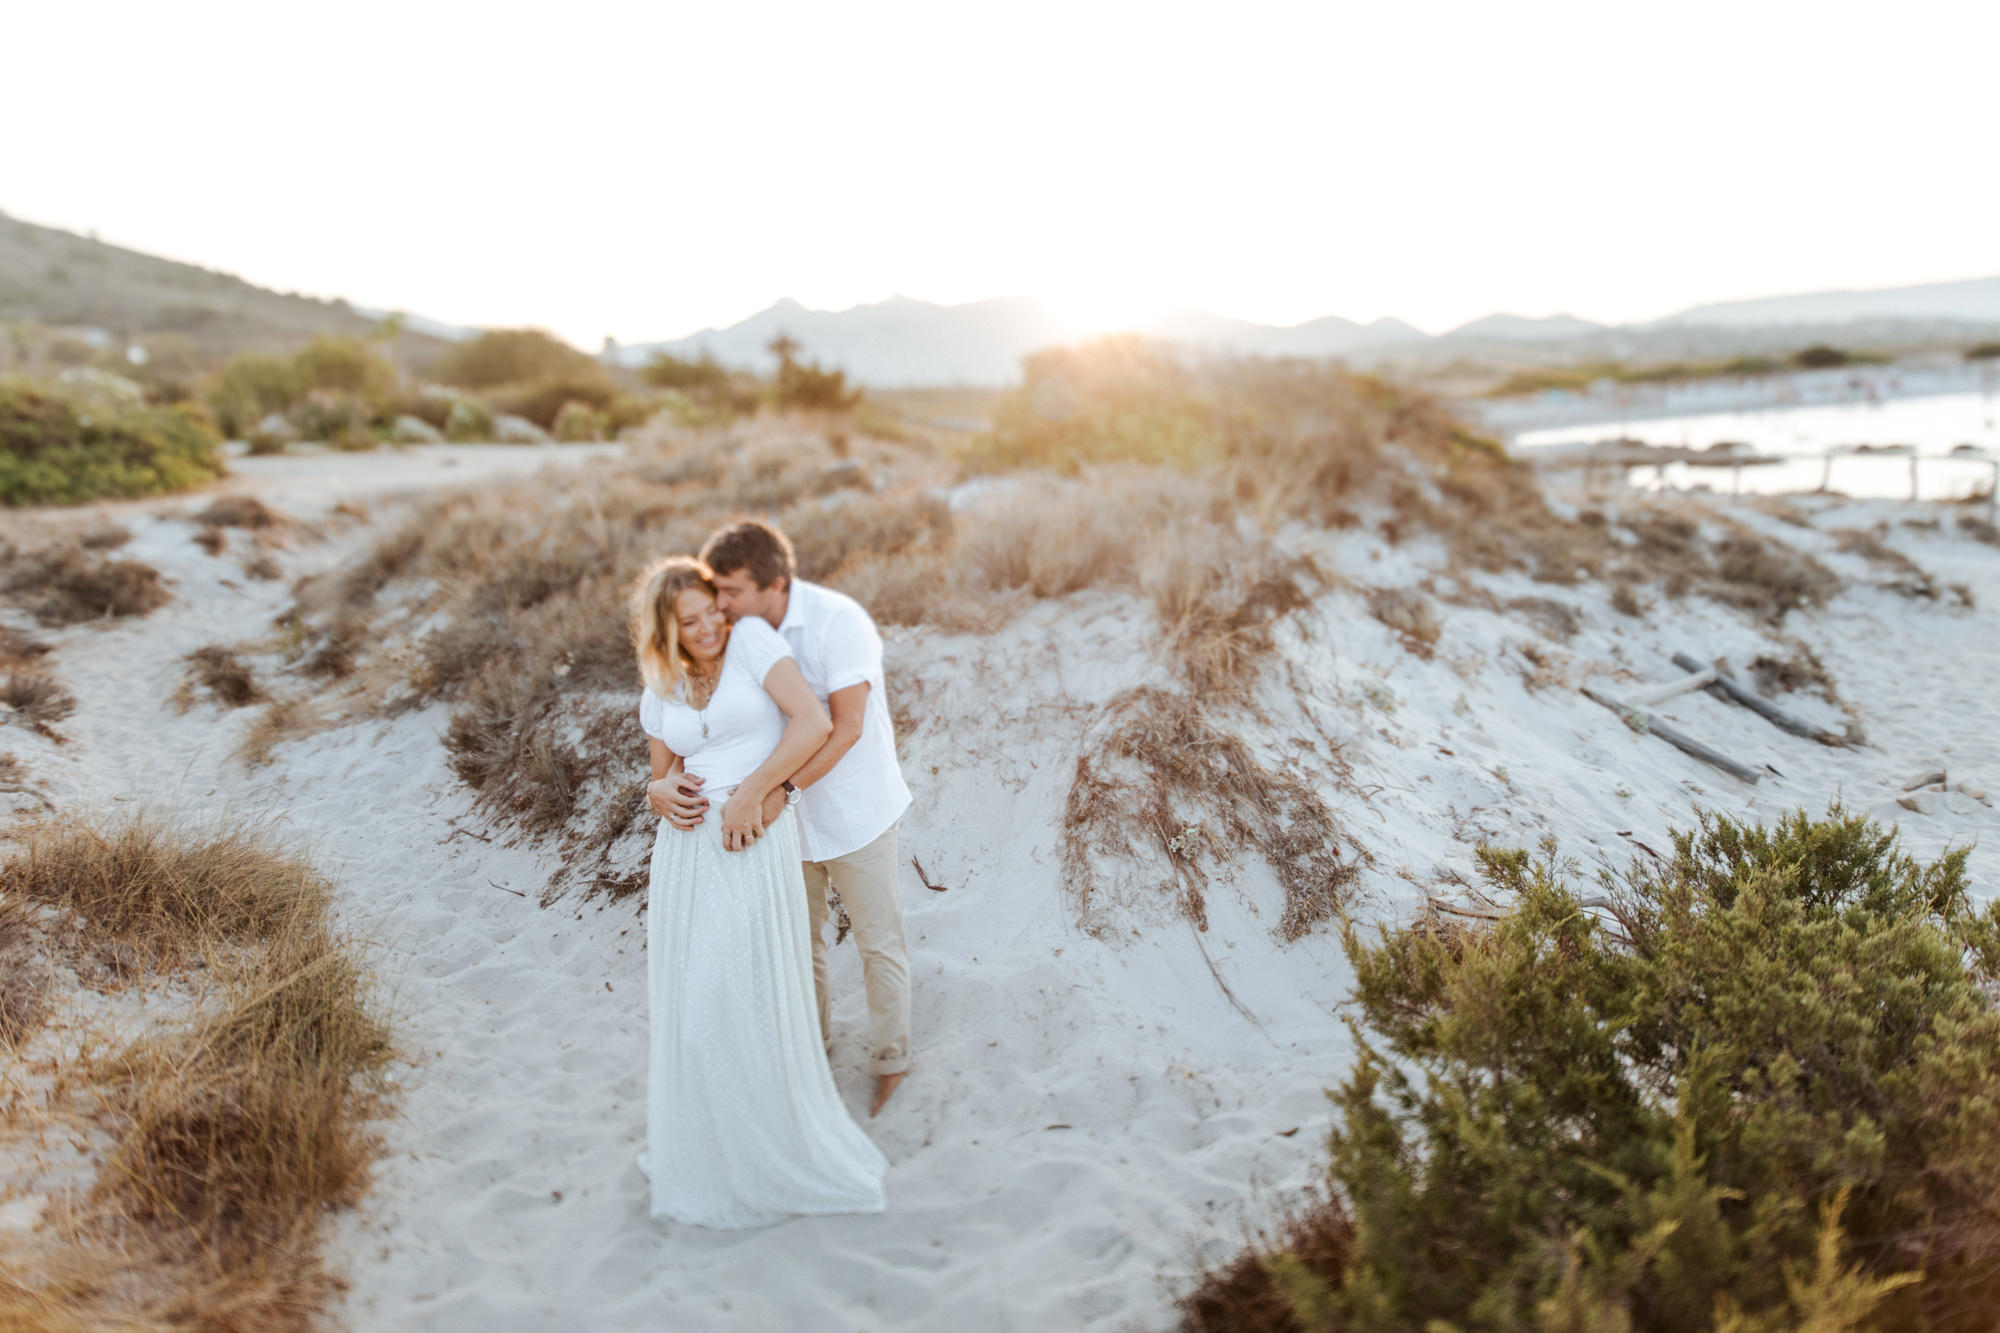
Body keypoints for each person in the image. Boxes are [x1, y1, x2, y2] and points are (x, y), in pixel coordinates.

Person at [629, 555, 887, 1228]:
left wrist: (755, 792)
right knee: (696, 1004)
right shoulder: (659, 679)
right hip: (686, 854)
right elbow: (664, 773)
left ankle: (767, 1143)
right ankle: (711, 1146)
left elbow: (813, 722)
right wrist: (656, 791)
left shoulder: (752, 642)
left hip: (752, 838)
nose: (712, 624)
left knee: (742, 988)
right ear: (666, 628)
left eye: (714, 608)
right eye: (692, 620)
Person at [660, 519, 915, 1117]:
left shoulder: (837, 621)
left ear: (774, 584)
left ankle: (891, 1060)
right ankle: (814, 1052)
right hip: (784, 828)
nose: (719, 604)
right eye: (715, 591)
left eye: (730, 591)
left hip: (856, 812)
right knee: (801, 946)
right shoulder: (736, 635)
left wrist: (779, 791)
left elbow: (846, 725)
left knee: (880, 943)